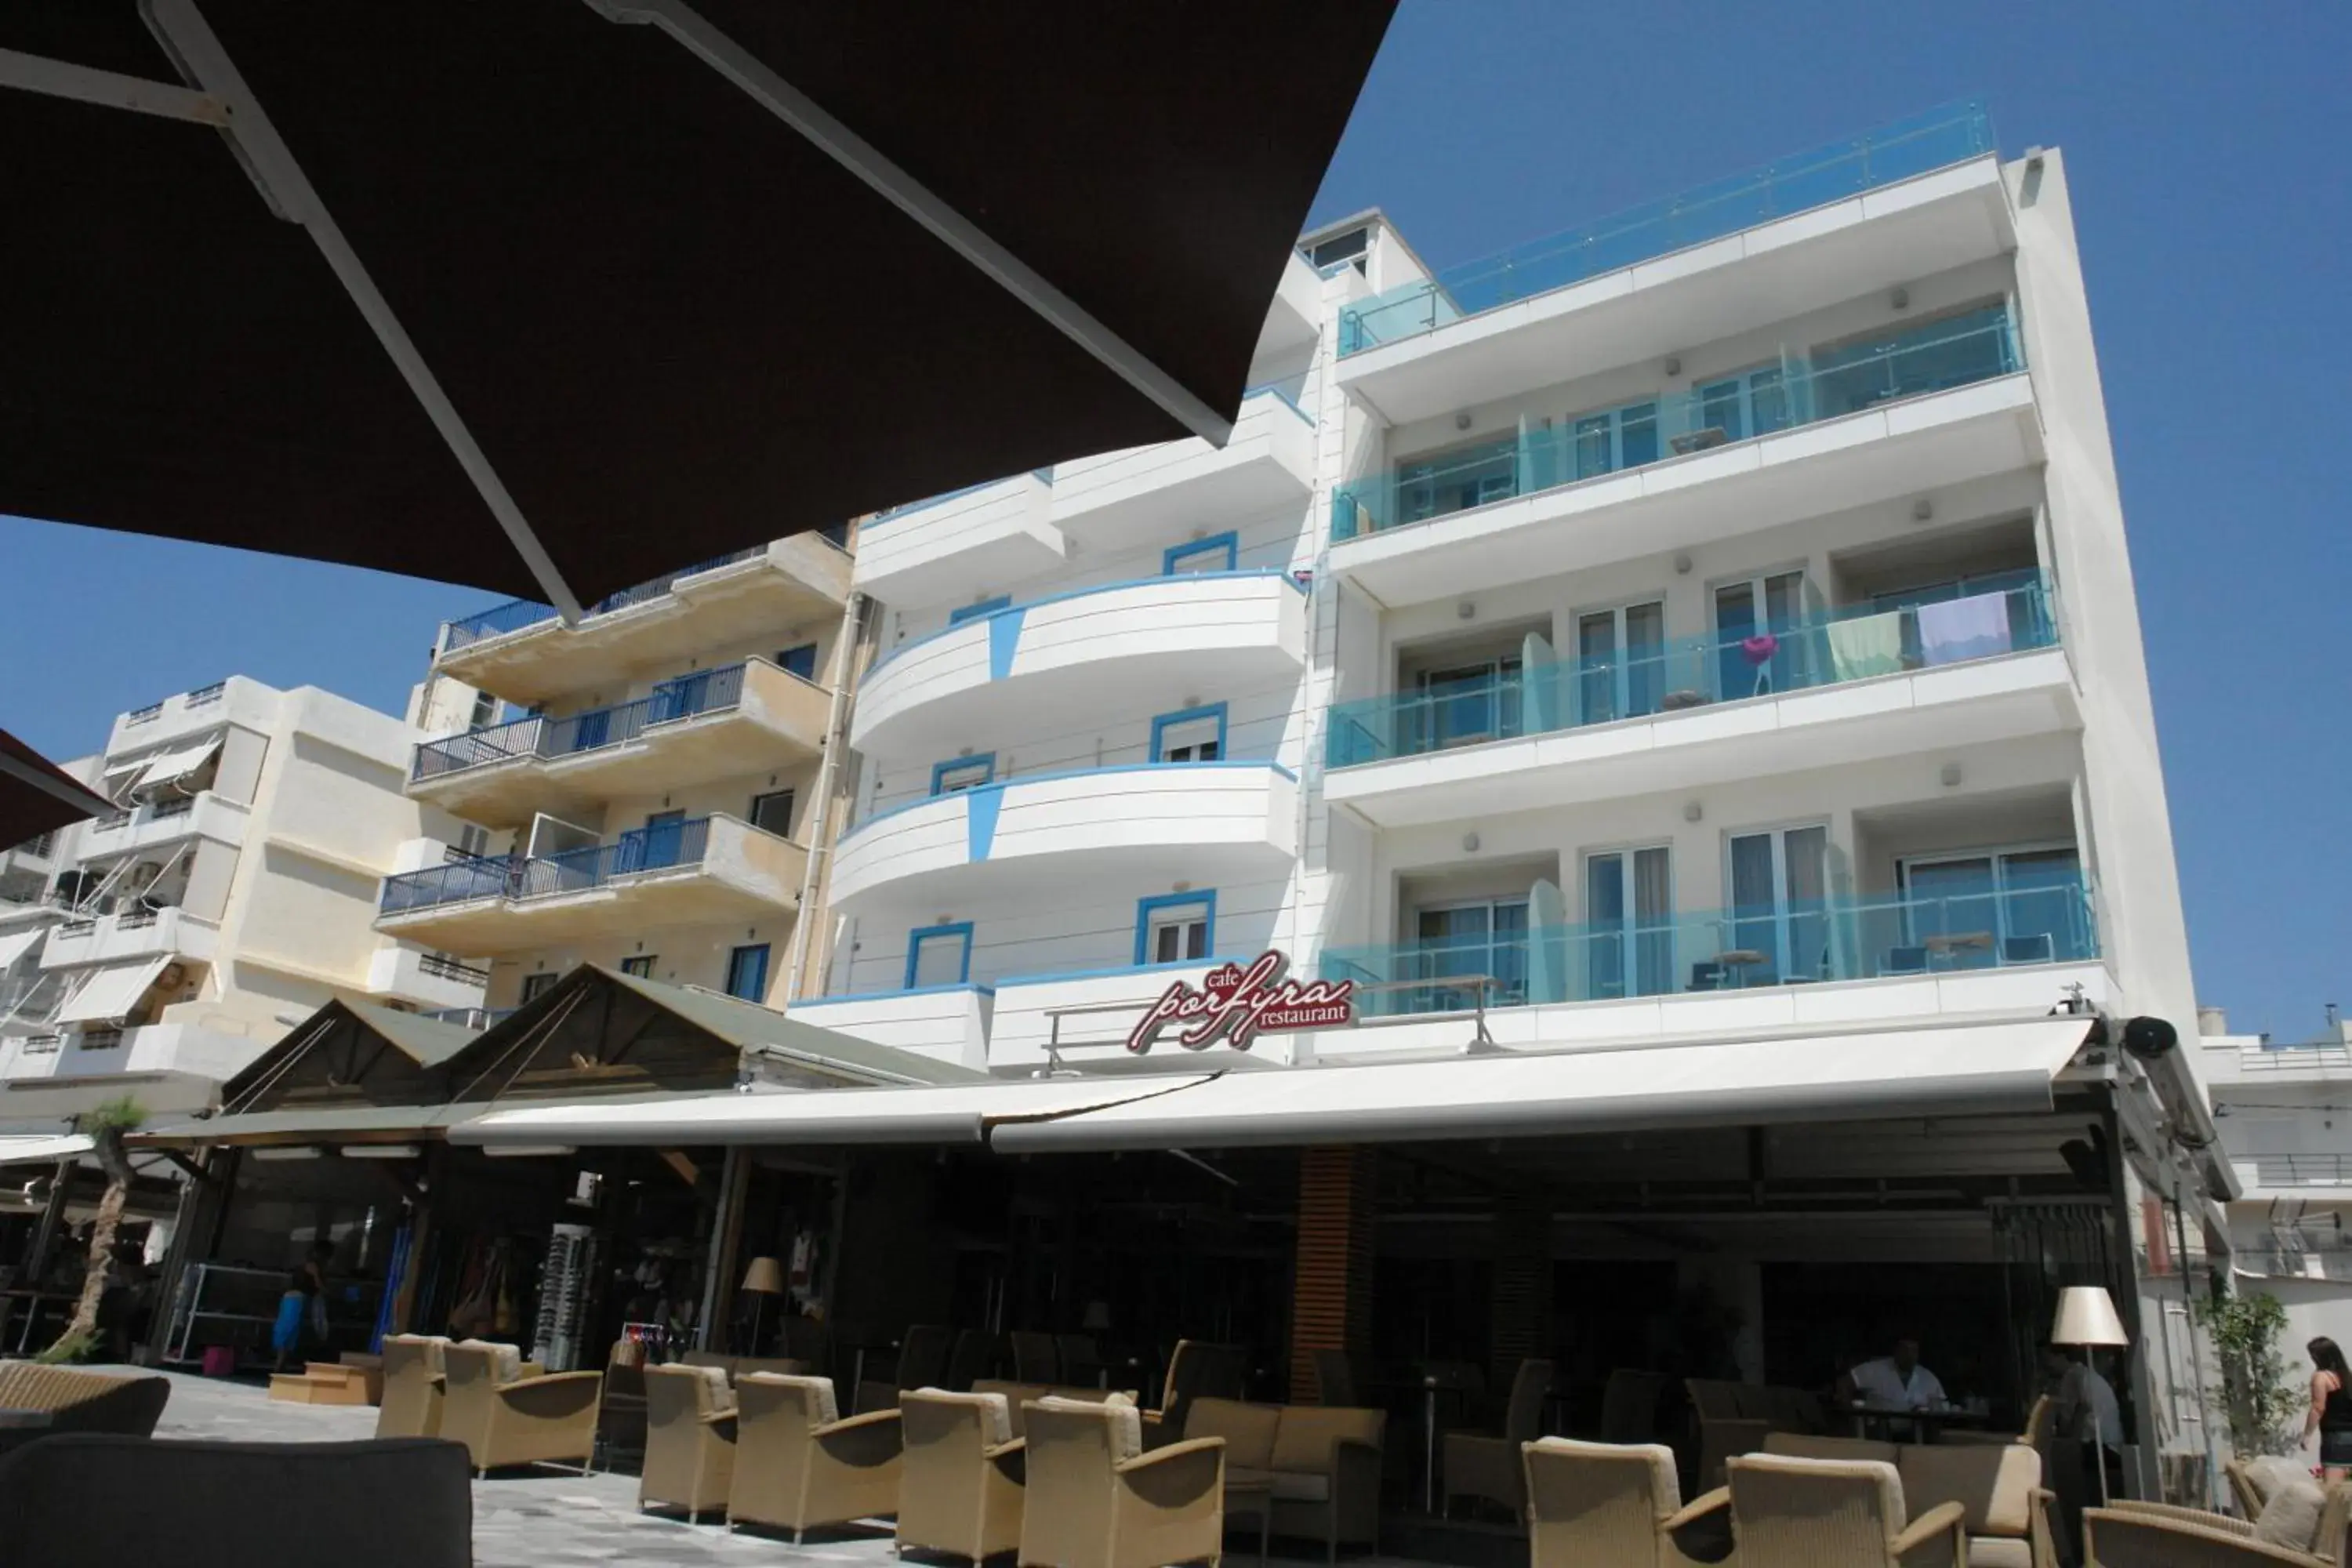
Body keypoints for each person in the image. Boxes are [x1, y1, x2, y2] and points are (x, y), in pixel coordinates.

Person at [1840, 1335, 1948, 1410]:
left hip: (1916, 1433)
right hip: (1878, 1432)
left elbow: (1942, 1405)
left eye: (1913, 1351)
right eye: (1905, 1350)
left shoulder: (1927, 1377)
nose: (1909, 1356)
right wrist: (1850, 1412)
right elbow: (1844, 1384)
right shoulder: (1875, 1369)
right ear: (1896, 1351)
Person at [2306, 1336, 2352, 1482]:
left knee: (2334, 1492)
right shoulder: (2348, 1378)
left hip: (2335, 1438)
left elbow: (2318, 1407)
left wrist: (2307, 1435)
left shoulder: (2322, 1377)